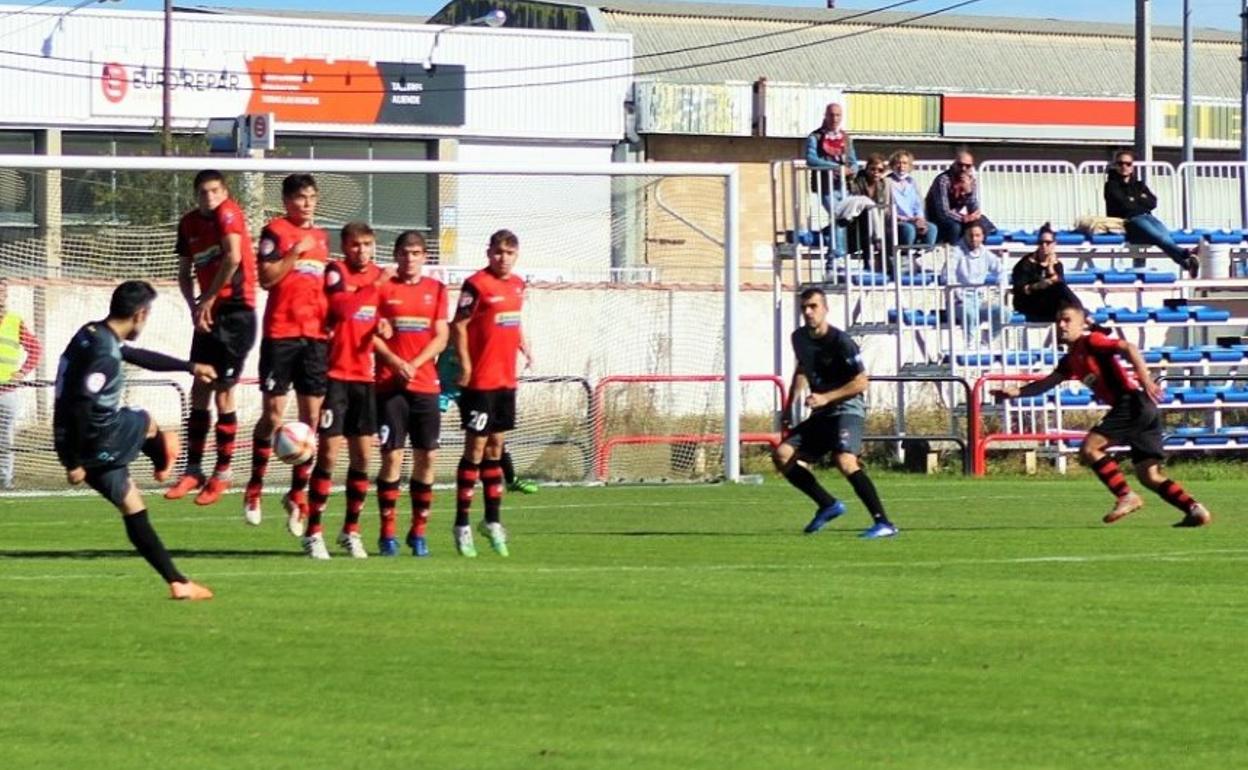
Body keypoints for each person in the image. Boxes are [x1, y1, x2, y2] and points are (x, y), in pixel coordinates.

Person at [54, 280, 216, 600]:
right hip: (98, 438)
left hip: (69, 435)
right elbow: (84, 403)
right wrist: (72, 462)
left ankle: (178, 583)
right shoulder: (105, 356)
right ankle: (162, 451)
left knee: (132, 504)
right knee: (144, 419)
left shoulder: (92, 333)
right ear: (140, 314)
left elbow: (136, 355)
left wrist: (188, 366)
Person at [992, 302, 1212, 528]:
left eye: (1067, 320)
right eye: (1058, 321)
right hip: (1141, 407)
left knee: (1090, 449)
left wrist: (1145, 378)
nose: (1061, 325)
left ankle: (1126, 496)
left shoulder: (1091, 341)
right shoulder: (1069, 360)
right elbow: (1046, 384)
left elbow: (1129, 347)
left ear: (1082, 323)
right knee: (1149, 475)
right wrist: (1015, 392)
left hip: (1131, 402)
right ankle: (1195, 510)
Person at [243, 174, 331, 533]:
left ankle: (297, 495)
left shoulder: (324, 239)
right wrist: (295, 251)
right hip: (281, 334)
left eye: (311, 197)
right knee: (274, 416)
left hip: (314, 338)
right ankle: (254, 487)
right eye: (298, 198)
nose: (305, 204)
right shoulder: (274, 232)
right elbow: (266, 279)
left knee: (312, 422)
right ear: (286, 201)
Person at [165, 170, 258, 509]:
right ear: (195, 195)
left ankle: (223, 471)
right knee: (199, 386)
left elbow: (233, 258)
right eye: (204, 192)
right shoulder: (189, 223)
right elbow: (183, 272)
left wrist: (208, 298)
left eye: (215, 191)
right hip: (209, 312)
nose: (210, 198)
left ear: (225, 191)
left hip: (235, 312)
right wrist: (194, 307)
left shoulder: (229, 213)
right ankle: (193, 469)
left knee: (223, 393)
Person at [773, 287, 898, 539]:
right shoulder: (798, 338)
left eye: (813, 306)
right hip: (822, 412)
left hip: (847, 409)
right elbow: (801, 369)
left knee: (844, 460)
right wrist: (789, 405)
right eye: (804, 307)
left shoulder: (841, 342)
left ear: (825, 309)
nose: (808, 312)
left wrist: (825, 397)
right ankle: (828, 504)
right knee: (782, 454)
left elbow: (862, 382)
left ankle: (884, 523)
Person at [301, 222, 386, 560]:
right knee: (329, 455)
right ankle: (314, 532)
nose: (361, 251)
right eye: (354, 245)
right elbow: (344, 310)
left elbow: (383, 315)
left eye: (366, 244)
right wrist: (374, 287)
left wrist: (385, 323)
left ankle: (351, 530)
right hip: (335, 376)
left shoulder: (380, 277)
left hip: (365, 379)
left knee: (363, 458)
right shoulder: (335, 271)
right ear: (344, 246)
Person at [449, 229, 532, 557]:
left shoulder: (517, 285)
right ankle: (462, 524)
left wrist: (524, 341)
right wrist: (466, 366)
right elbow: (458, 325)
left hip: (505, 380)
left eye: (509, 252)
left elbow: (512, 320)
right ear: (488, 253)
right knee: (476, 447)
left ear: (516, 255)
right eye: (498, 252)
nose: (503, 258)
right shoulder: (476, 285)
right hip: (480, 381)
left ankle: (492, 520)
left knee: (496, 447)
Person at [374, 231, 448, 557]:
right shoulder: (383, 288)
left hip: (425, 385)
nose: (410, 258)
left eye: (416, 253)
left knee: (427, 457)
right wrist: (394, 361)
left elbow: (442, 336)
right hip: (391, 386)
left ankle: (418, 532)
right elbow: (368, 332)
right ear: (396, 255)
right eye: (405, 253)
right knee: (392, 458)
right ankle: (387, 533)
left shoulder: (437, 290)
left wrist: (415, 363)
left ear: (424, 257)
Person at [1104, 149, 1199, 278]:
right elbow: (1125, 206)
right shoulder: (1111, 185)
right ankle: (1186, 254)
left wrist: (1135, 199)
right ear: (1115, 165)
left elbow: (1153, 202)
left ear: (1132, 167)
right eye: (1120, 164)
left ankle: (1186, 265)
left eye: (1128, 164)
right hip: (1129, 221)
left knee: (1166, 237)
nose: (1124, 167)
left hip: (1147, 217)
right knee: (1159, 238)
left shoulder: (1138, 184)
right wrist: (1140, 199)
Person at [0, 278, 42, 490]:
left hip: (7, 391)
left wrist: (22, 372)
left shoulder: (14, 321)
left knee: (5, 438)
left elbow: (35, 349)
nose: (1, 297)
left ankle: (4, 480)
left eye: (3, 293)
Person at [805, 102, 856, 261]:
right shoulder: (815, 137)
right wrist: (835, 167)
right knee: (837, 213)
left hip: (844, 185)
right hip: (825, 185)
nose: (835, 118)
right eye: (831, 115)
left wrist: (851, 169)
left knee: (844, 218)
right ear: (826, 116)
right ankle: (837, 252)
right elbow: (811, 159)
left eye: (838, 115)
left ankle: (828, 239)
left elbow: (853, 160)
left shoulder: (846, 138)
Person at [1011, 223, 1080, 322]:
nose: (1044, 246)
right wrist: (1039, 285)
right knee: (1061, 292)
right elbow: (1020, 290)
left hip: (1049, 303)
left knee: (1061, 294)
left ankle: (1083, 317)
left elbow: (1061, 285)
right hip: (1028, 303)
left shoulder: (1057, 264)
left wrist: (1051, 268)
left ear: (1054, 244)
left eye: (1048, 242)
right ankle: (1087, 318)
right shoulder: (1026, 263)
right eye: (1041, 242)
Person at [952, 221, 1003, 344]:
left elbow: (1001, 270)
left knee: (1004, 313)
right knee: (969, 313)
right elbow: (948, 274)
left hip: (980, 300)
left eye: (977, 235)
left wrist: (1000, 287)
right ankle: (971, 345)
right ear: (965, 235)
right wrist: (959, 295)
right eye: (971, 235)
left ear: (983, 236)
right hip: (960, 301)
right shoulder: (955, 252)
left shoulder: (985, 253)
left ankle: (987, 342)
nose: (974, 239)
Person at [925, 149, 990, 245]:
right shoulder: (943, 180)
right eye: (960, 165)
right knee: (955, 226)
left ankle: (978, 254)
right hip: (936, 217)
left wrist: (968, 192)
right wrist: (964, 219)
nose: (963, 168)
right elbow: (943, 212)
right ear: (954, 164)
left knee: (981, 224)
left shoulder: (970, 180)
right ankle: (953, 253)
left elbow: (974, 209)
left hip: (956, 216)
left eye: (967, 166)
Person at [844, 153, 892, 272]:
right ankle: (869, 262)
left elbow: (884, 206)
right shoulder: (857, 180)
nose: (876, 172)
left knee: (886, 226)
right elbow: (855, 199)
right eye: (873, 169)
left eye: (880, 170)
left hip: (876, 223)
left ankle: (887, 266)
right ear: (866, 169)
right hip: (856, 221)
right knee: (867, 214)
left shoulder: (882, 184)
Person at [887, 149, 938, 251]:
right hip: (897, 221)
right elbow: (886, 208)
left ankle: (923, 257)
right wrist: (905, 219)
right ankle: (905, 256)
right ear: (893, 165)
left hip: (913, 219)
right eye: (898, 163)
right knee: (909, 229)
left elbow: (918, 204)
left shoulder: (912, 182)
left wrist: (919, 218)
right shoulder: (887, 182)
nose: (902, 166)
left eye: (905, 163)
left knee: (932, 228)